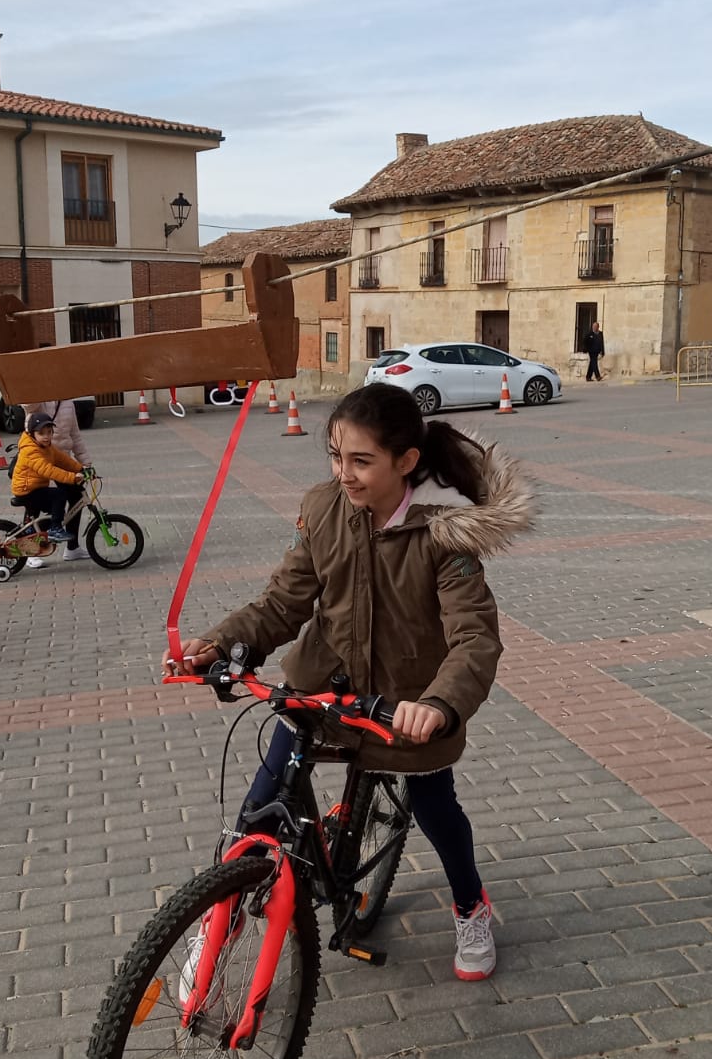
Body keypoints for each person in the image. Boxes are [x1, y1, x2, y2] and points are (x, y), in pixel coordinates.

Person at [167, 383, 535, 980]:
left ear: (406, 461)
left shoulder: (445, 532)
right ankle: (220, 922)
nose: (345, 474)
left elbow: (474, 636)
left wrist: (439, 704)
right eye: (336, 456)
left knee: (434, 805)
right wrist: (225, 642)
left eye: (361, 460)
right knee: (258, 809)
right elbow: (283, 602)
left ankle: (471, 907)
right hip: (323, 690)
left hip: (404, 702)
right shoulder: (322, 509)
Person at [10, 412, 90, 565]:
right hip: (27, 490)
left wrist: (81, 468)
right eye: (41, 433)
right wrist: (73, 477)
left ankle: (49, 535)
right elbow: (48, 470)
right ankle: (50, 533)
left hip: (37, 487)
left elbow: (63, 459)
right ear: (32, 433)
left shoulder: (47, 447)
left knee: (55, 510)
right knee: (59, 496)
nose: (46, 436)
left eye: (49, 432)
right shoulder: (30, 450)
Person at [24, 397, 91, 468]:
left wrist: (86, 462)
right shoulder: (36, 402)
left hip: (63, 459)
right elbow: (28, 405)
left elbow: (75, 435)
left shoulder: (68, 403)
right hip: (42, 460)